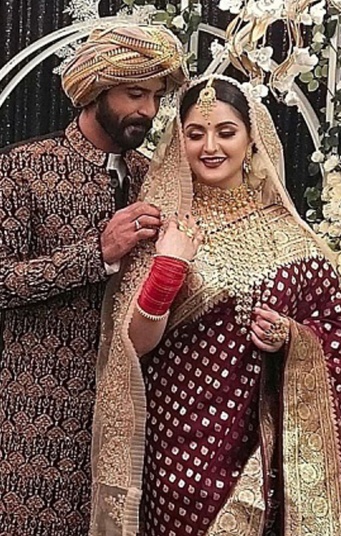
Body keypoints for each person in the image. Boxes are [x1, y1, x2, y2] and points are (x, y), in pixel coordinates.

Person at [88, 75, 341, 535]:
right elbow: (133, 343)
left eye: (226, 132)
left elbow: (333, 326)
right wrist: (169, 266)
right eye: (195, 134)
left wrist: (290, 337)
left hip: (260, 453)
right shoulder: (162, 224)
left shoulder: (290, 233)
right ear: (179, 142)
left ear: (252, 138)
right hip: (173, 449)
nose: (210, 147)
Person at [0, 25, 187, 536]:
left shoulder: (152, 177)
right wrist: (96, 254)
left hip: (127, 414)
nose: (148, 110)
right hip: (34, 417)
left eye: (156, 97)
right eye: (135, 94)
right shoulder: (24, 169)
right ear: (96, 90)